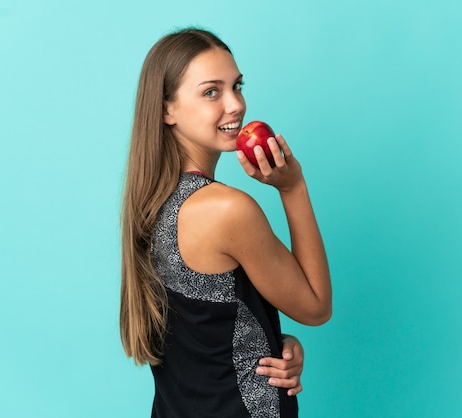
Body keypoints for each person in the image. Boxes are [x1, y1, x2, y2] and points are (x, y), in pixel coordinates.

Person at [120, 28, 332, 417]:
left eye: (237, 86)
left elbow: (203, 331)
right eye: (211, 92)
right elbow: (316, 306)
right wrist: (293, 187)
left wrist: (272, 340)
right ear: (167, 108)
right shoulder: (226, 209)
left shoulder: (150, 206)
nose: (235, 104)